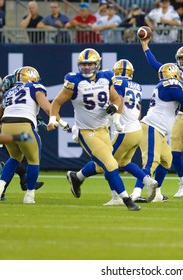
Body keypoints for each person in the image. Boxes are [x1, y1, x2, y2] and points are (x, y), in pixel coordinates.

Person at [48, 48, 141, 211]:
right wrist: (52, 119)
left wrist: (114, 110)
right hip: (86, 131)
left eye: (90, 63)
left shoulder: (106, 78)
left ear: (97, 64)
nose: (87, 67)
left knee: (101, 166)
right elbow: (56, 103)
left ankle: (76, 177)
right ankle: (127, 200)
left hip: (103, 129)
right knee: (111, 163)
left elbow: (116, 99)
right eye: (84, 64)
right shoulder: (73, 82)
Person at [65, 58, 158, 206]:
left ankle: (113, 195)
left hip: (125, 131)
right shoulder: (136, 86)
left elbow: (117, 100)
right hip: (137, 129)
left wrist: (114, 120)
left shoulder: (117, 82)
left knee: (106, 164)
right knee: (124, 162)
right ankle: (147, 180)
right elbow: (138, 112)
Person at [130, 63, 183, 202]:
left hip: (159, 131)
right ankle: (135, 193)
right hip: (152, 127)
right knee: (151, 162)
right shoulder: (170, 85)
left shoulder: (166, 86)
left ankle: (156, 194)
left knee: (166, 162)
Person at [0, 66, 49, 203]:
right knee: (34, 160)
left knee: (15, 157)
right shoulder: (35, 88)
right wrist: (55, 118)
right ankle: (29, 195)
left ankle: (0, 187)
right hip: (24, 127)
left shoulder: (9, 92)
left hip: (5, 127)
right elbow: (47, 107)